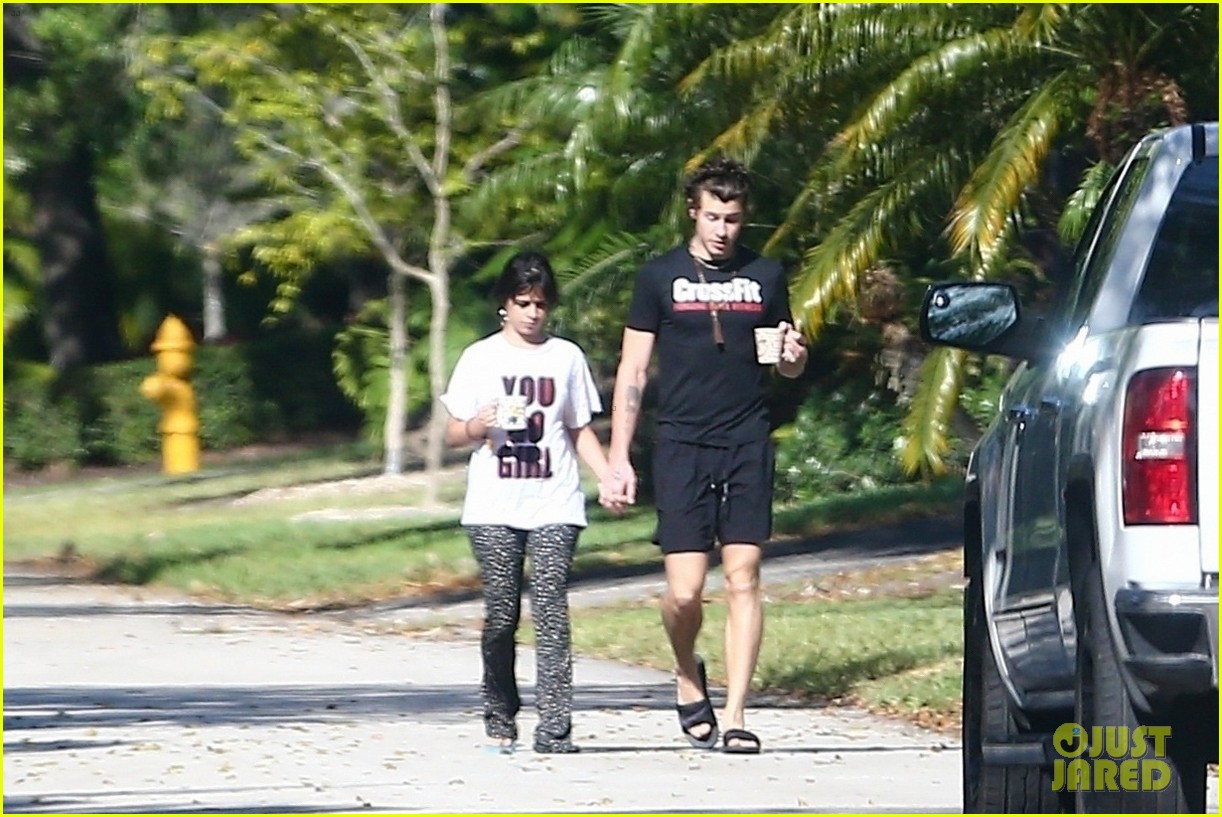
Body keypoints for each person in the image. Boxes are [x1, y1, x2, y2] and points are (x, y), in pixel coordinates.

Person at [602, 157, 807, 754]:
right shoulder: (658, 277)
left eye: (734, 218)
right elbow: (634, 369)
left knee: (743, 578)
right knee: (685, 593)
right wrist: (619, 457)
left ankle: (738, 713)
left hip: (747, 439)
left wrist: (794, 352)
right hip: (682, 444)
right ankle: (688, 671)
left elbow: (786, 362)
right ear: (693, 211)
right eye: (713, 216)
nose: (723, 229)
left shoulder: (766, 276)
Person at [441, 250, 618, 755]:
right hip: (494, 503)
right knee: (501, 613)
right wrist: (478, 425)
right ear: (505, 303)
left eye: (541, 304)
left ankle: (555, 728)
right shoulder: (480, 358)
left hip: (554, 500)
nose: (533, 313)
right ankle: (499, 707)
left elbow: (579, 428)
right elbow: (454, 432)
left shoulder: (566, 358)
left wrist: (606, 476)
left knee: (551, 608)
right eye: (523, 302)